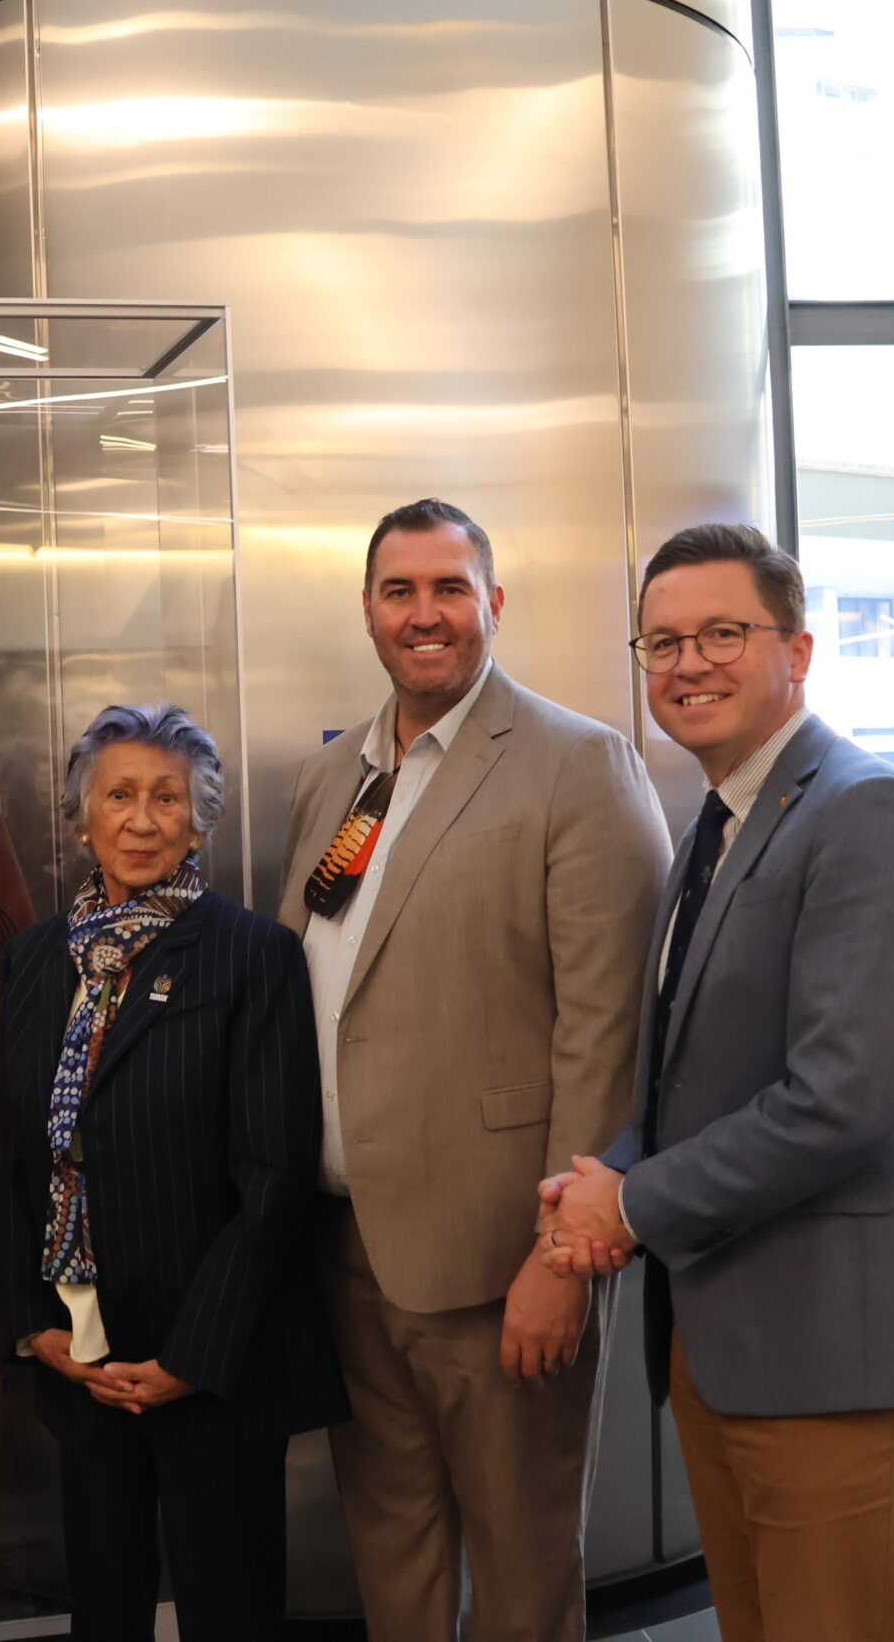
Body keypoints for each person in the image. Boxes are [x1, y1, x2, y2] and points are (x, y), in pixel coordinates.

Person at [540, 523, 894, 1642]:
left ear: (799, 649)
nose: (688, 665)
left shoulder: (869, 813)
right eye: (662, 642)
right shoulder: (720, 822)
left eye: (723, 633)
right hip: (728, 1343)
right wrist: (614, 1169)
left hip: (834, 1356)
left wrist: (626, 1207)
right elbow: (697, 1076)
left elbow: (838, 1100)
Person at [276, 499, 668, 1642]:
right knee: (389, 1560)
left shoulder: (578, 764)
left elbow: (606, 1032)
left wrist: (564, 1256)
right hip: (345, 1250)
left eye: (450, 588)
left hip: (501, 1256)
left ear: (492, 604)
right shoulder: (334, 777)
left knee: (519, 1573)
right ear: (367, 613)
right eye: (400, 592)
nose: (425, 614)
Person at [0, 703, 344, 1642]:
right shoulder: (34, 960)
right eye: (118, 795)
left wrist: (192, 1357)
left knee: (229, 1610)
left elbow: (274, 1176)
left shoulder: (251, 954)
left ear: (201, 820)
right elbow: (13, 1160)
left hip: (210, 1362)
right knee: (105, 1607)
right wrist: (39, 1327)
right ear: (81, 818)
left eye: (167, 798)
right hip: (83, 1355)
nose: (141, 819)